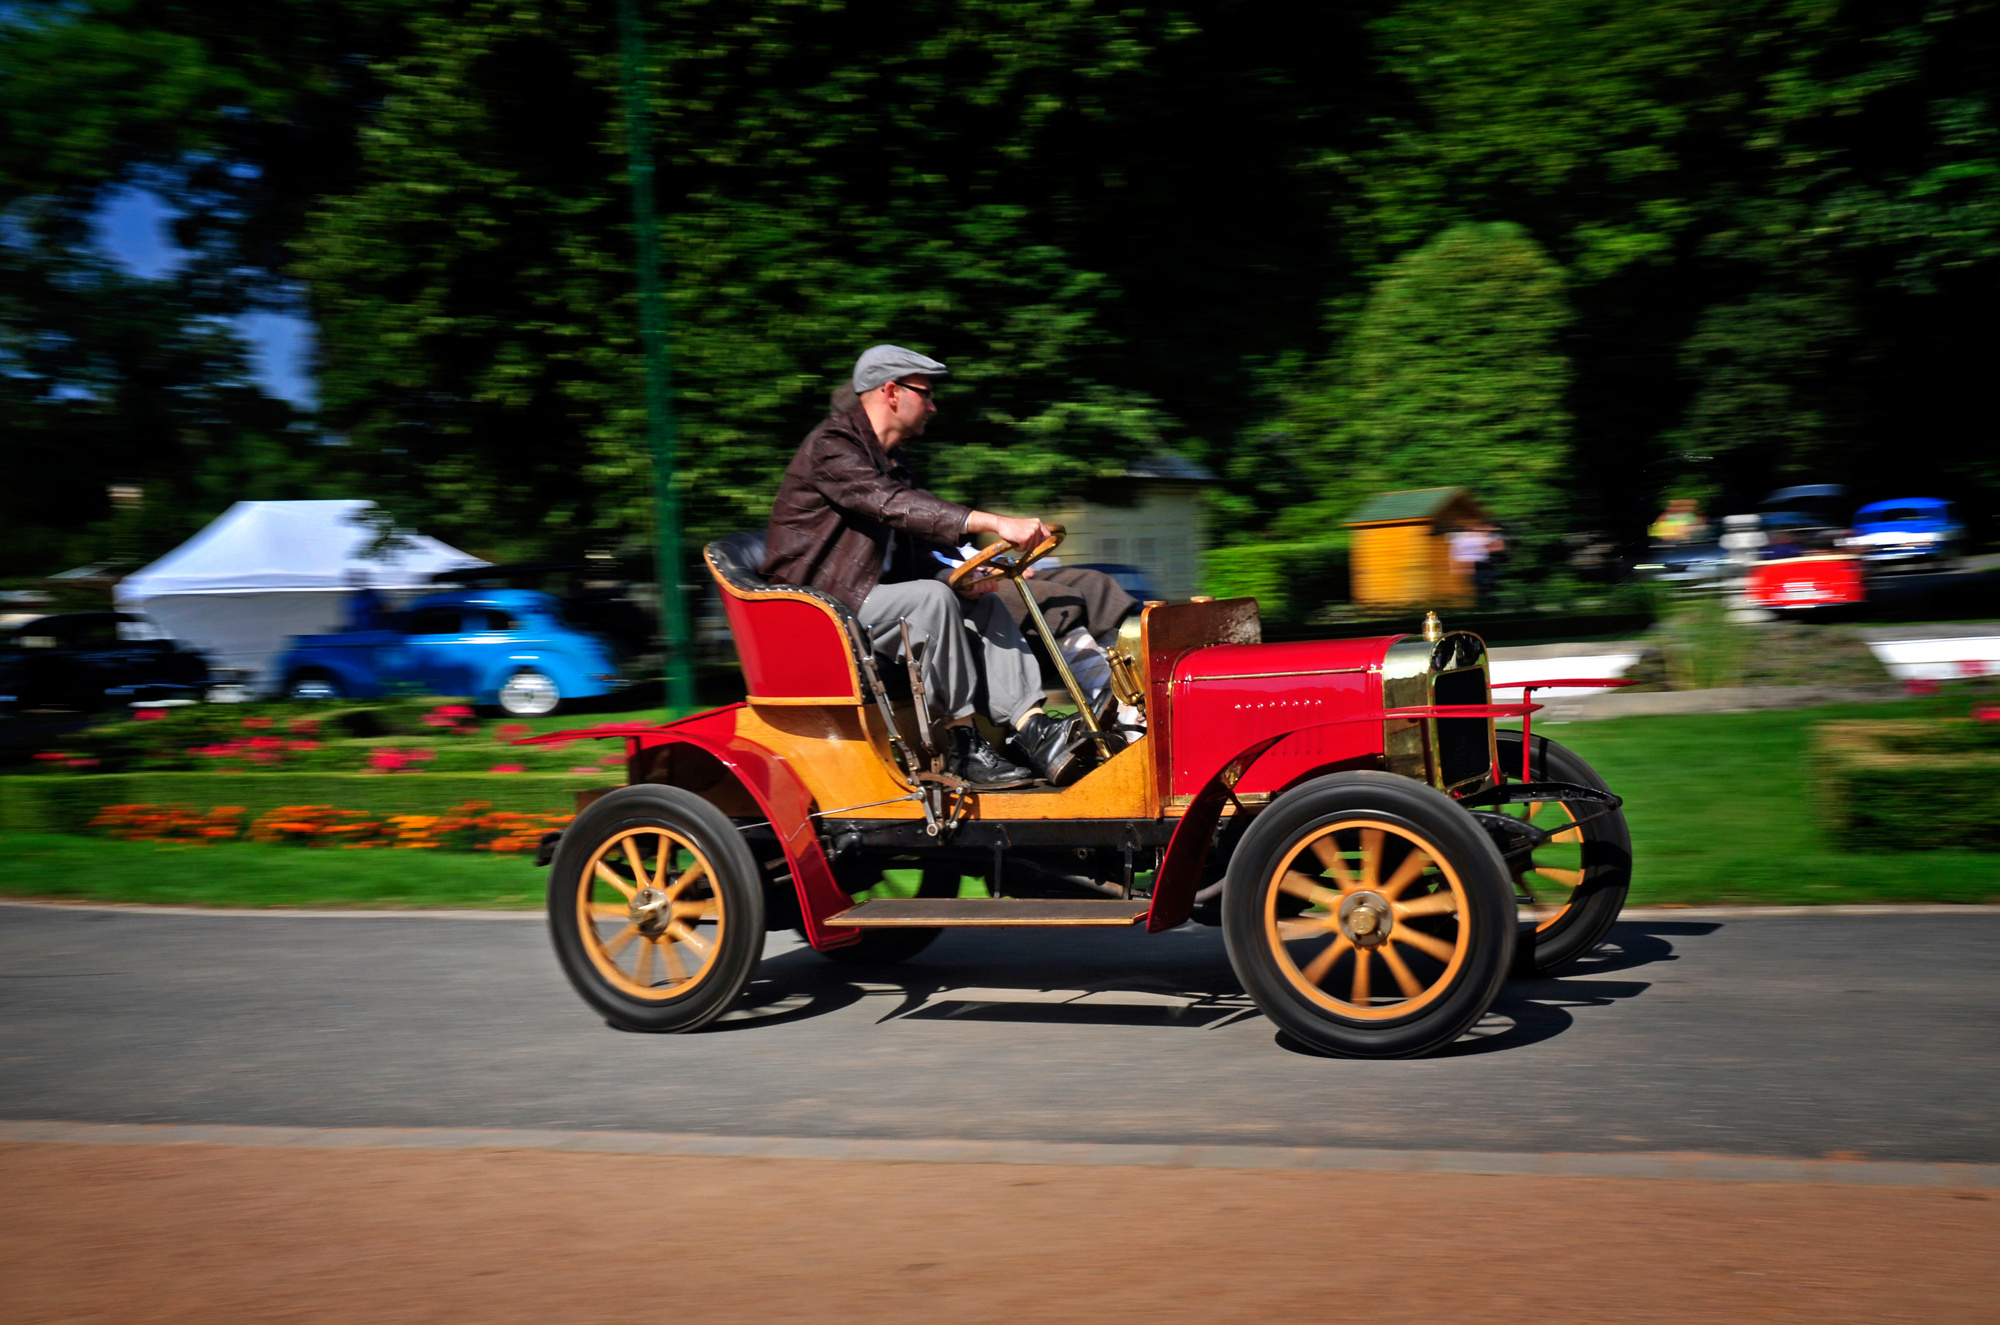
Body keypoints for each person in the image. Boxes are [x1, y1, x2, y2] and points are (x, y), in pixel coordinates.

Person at [763, 345, 1088, 787]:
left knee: (983, 603)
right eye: (925, 393)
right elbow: (892, 507)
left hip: (868, 598)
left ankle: (1033, 730)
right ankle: (962, 745)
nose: (933, 405)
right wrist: (994, 522)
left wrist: (963, 576)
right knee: (930, 601)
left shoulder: (895, 464)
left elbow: (913, 549)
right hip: (821, 609)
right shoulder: (832, 446)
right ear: (891, 391)